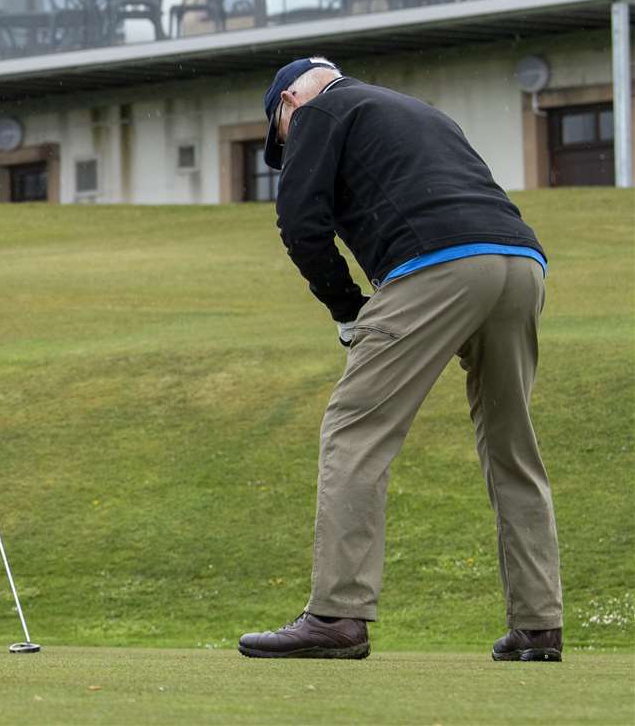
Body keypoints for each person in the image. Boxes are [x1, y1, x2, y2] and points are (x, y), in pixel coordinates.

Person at [240, 58, 561, 662]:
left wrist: (346, 309)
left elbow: (300, 222)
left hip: (436, 264)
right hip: (521, 263)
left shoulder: (316, 110)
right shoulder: (417, 109)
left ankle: (337, 615)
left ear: (287, 106)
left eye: (280, 138)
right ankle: (539, 625)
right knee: (511, 445)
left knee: (355, 430)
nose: (288, 145)